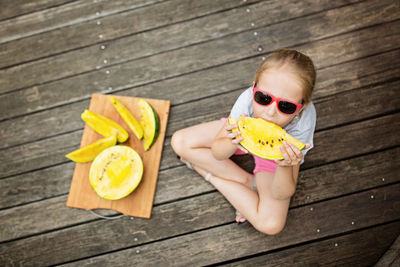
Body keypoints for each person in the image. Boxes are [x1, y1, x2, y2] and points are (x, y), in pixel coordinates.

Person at [171, 49, 316, 235]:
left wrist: (286, 166)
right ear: (254, 87)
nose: (270, 112)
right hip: (241, 136)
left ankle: (211, 176)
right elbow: (218, 153)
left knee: (271, 225)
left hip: (274, 159)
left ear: (301, 106)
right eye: (263, 98)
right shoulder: (247, 101)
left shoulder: (300, 129)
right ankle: (247, 182)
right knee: (180, 141)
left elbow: (283, 192)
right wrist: (230, 142)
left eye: (285, 106)